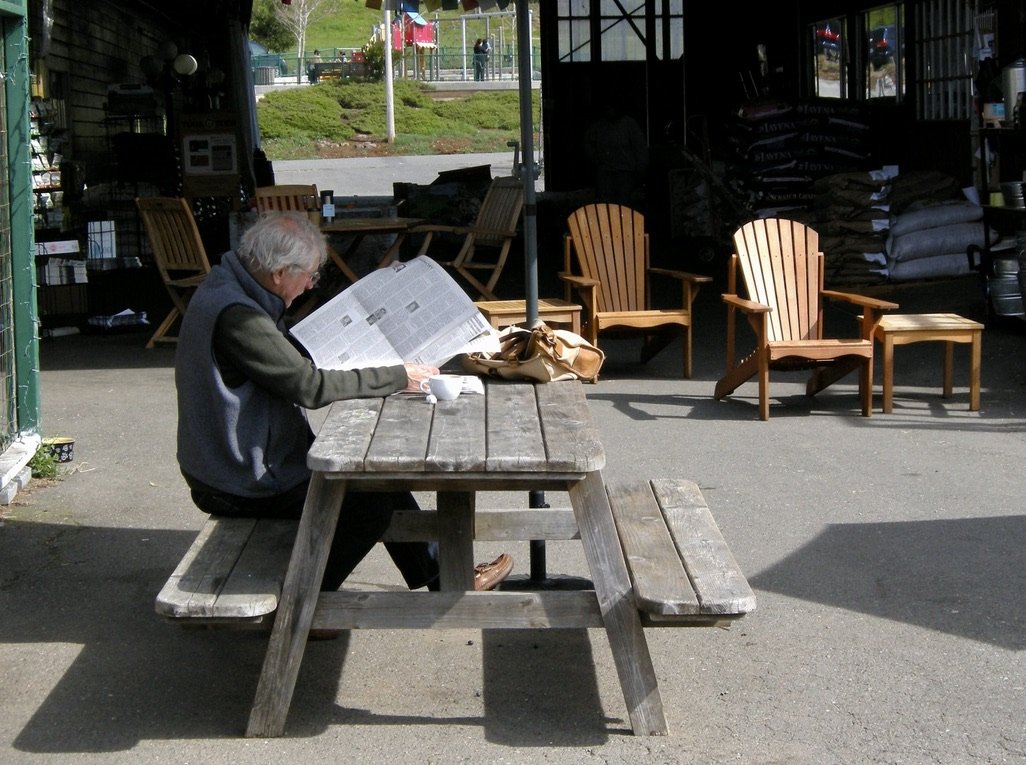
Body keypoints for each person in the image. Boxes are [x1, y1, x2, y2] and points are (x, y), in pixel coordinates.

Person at [174, 213, 513, 603]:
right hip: (239, 479)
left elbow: (286, 361)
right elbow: (309, 386)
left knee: (379, 476)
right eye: (311, 276)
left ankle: (442, 576)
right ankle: (303, 602)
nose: (310, 285)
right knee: (371, 499)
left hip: (231, 462)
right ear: (281, 272)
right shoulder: (240, 316)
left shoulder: (229, 283)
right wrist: (397, 376)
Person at [583, 101, 649, 207]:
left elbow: (640, 148)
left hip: (625, 173)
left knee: (622, 206)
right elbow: (588, 145)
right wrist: (596, 159)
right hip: (605, 172)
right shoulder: (599, 126)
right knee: (606, 206)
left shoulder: (629, 124)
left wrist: (640, 170)